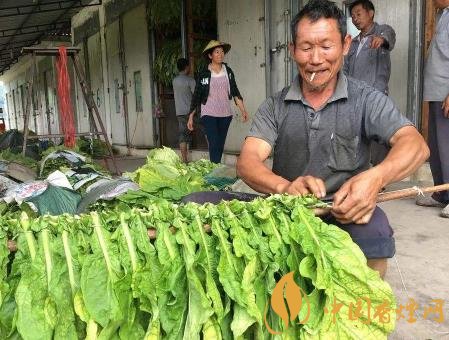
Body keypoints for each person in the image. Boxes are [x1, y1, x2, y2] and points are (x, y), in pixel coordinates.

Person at [237, 0, 429, 278]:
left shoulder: (366, 99)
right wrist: (285, 187)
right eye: (306, 47)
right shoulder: (275, 105)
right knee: (203, 205)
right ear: (292, 51)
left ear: (345, 45)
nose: (316, 59)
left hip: (347, 211)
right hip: (288, 209)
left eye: (326, 46)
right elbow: (248, 161)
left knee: (375, 233)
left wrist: (376, 179)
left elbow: (416, 145)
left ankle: (364, 309)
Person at [344, 0, 396, 165]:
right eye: (352, 16)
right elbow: (344, 70)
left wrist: (381, 39)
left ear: (370, 13)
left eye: (359, 14)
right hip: (354, 96)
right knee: (356, 136)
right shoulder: (352, 43)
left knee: (378, 136)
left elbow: (389, 35)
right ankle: (359, 171)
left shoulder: (382, 31)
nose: (355, 19)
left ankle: (379, 177)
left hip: (375, 94)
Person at [187, 40, 249, 163]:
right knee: (214, 141)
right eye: (216, 52)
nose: (220, 54)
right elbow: (197, 95)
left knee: (219, 144)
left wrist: (243, 110)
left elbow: (235, 91)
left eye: (222, 52)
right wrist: (191, 116)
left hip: (225, 114)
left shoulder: (228, 71)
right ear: (210, 56)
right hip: (208, 113)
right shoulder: (204, 73)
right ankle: (214, 170)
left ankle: (215, 167)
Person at [415, 0, 449, 217]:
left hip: (446, 94)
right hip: (437, 92)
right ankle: (441, 193)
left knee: (448, 147)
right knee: (437, 148)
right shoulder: (444, 14)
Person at [173, 58, 196, 163]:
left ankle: (184, 160)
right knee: (205, 130)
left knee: (182, 135)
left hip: (179, 111)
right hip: (191, 112)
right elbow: (196, 95)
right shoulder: (190, 80)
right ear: (187, 67)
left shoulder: (175, 81)